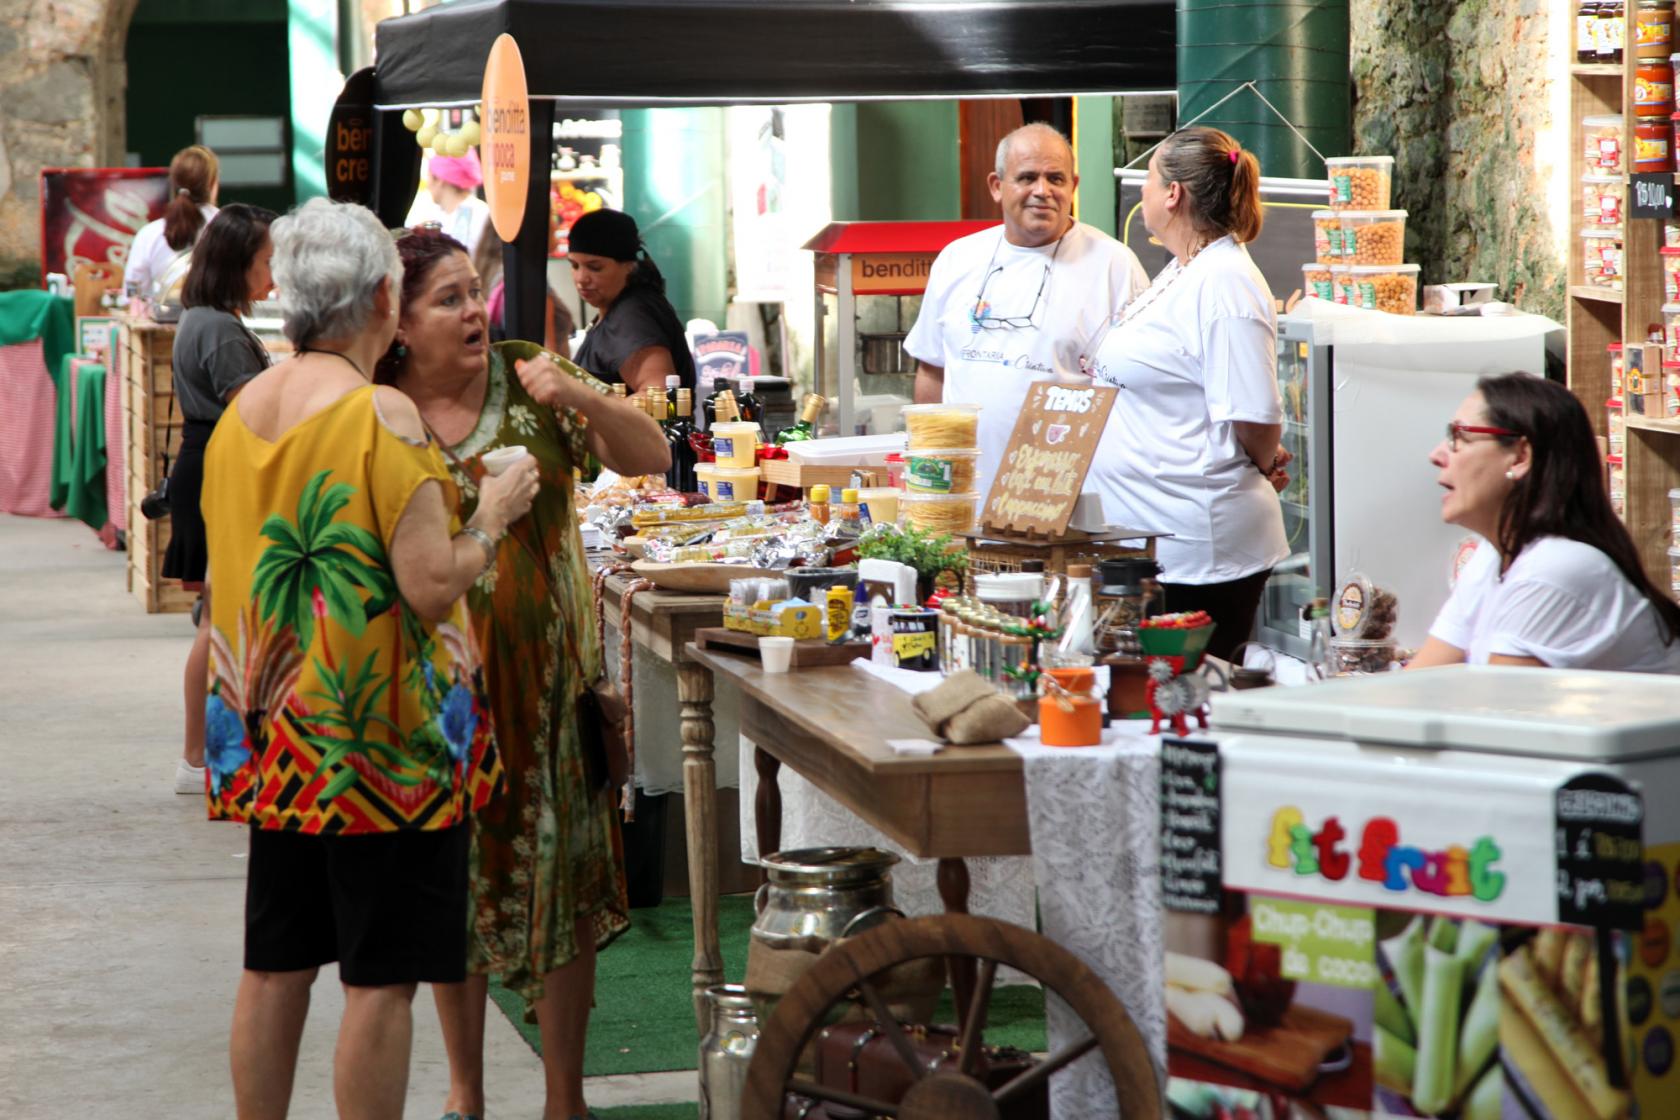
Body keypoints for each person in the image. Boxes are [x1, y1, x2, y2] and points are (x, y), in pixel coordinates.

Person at [199, 198, 534, 1120]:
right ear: (385, 296)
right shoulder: (378, 412)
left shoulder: (245, 410)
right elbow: (432, 585)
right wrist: (495, 514)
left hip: (275, 737)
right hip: (376, 743)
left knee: (275, 967)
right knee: (379, 981)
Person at [376, 228, 669, 1120]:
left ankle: (564, 1099)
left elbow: (651, 458)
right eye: (448, 300)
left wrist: (576, 390)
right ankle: (467, 1093)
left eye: (476, 293)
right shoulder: (380, 411)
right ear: (397, 322)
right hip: (437, 695)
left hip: (551, 685)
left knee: (567, 885)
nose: (474, 312)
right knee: (455, 887)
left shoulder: (527, 372)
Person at [1084, 126, 1290, 662]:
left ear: (1173, 193)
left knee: (1192, 699)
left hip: (1198, 547)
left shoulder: (1225, 281)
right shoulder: (1184, 269)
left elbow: (1255, 416)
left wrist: (1263, 460)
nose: (1144, 194)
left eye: (1149, 181)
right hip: (1149, 537)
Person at [904, 122, 1148, 499]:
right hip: (966, 495)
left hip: (1066, 495)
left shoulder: (1114, 265)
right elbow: (933, 369)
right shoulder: (957, 259)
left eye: (1055, 178)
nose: (1042, 191)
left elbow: (1136, 389)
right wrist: (931, 470)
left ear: (1073, 186)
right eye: (1027, 177)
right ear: (997, 186)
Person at [1410, 374, 1680, 672]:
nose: (1436, 455)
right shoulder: (1492, 558)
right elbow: (1415, 686)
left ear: (1520, 457)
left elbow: (1494, 711)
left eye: (1459, 436)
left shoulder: (1555, 569)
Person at [166, 202, 276, 795]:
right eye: (265, 261)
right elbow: (257, 412)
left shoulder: (207, 319)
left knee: (217, 619)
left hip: (205, 467)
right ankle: (194, 758)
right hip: (215, 472)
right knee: (217, 621)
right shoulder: (218, 328)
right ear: (238, 263)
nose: (273, 274)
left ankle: (199, 755)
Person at [567, 208, 697, 393]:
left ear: (629, 266)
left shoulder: (631, 316)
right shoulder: (618, 309)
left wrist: (595, 408)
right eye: (574, 265)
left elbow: (657, 393)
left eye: (594, 267)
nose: (581, 278)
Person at [125, 145, 219, 303]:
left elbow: (132, 291)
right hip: (219, 325)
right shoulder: (231, 227)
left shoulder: (149, 234)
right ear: (212, 185)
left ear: (173, 184)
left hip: (163, 323)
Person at [407, 150, 492, 258]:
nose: (428, 185)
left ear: (439, 180)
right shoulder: (483, 211)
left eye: (429, 176)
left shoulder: (478, 215)